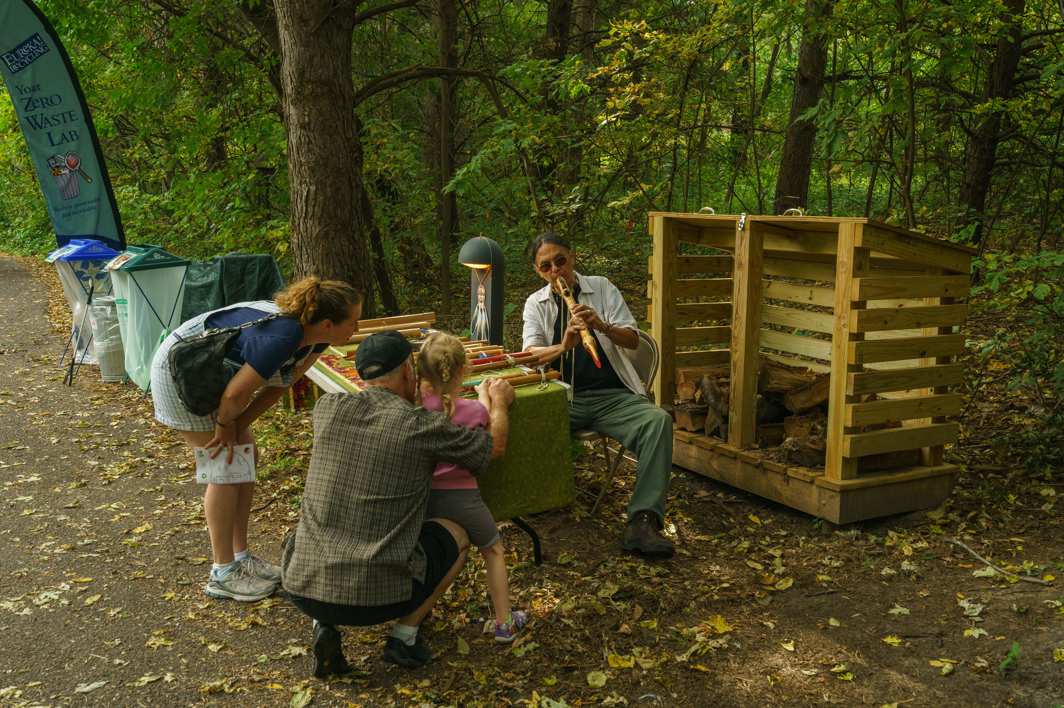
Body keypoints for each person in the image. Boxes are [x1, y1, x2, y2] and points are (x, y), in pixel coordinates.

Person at [281, 330, 516, 676]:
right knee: (461, 535)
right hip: (381, 599)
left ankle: (323, 625)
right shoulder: (420, 426)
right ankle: (404, 636)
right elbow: (492, 447)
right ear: (409, 372)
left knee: (330, 518)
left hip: (300, 587)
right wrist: (499, 404)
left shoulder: (326, 407)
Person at [151, 277, 363, 602]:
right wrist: (225, 427)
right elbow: (236, 394)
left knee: (245, 454)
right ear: (328, 323)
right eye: (353, 321)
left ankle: (240, 558)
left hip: (211, 372)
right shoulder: (284, 335)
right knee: (226, 467)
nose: (358, 328)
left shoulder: (316, 337)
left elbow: (281, 384)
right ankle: (222, 573)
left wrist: (237, 427)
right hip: (180, 369)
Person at [522, 231, 675, 559]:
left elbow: (634, 341)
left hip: (613, 396)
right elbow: (530, 355)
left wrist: (601, 326)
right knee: (524, 417)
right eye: (546, 266)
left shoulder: (602, 287)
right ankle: (538, 497)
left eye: (560, 261)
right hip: (563, 398)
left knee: (658, 422)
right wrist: (563, 346)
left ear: (571, 258)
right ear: (539, 272)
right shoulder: (536, 303)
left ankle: (643, 522)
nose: (556, 271)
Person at [417, 332, 527, 644]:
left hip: (422, 498)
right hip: (464, 498)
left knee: (425, 549)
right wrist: (486, 393)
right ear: (462, 370)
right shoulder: (474, 411)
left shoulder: (413, 406)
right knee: (493, 550)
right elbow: (483, 416)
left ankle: (419, 611)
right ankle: (504, 622)